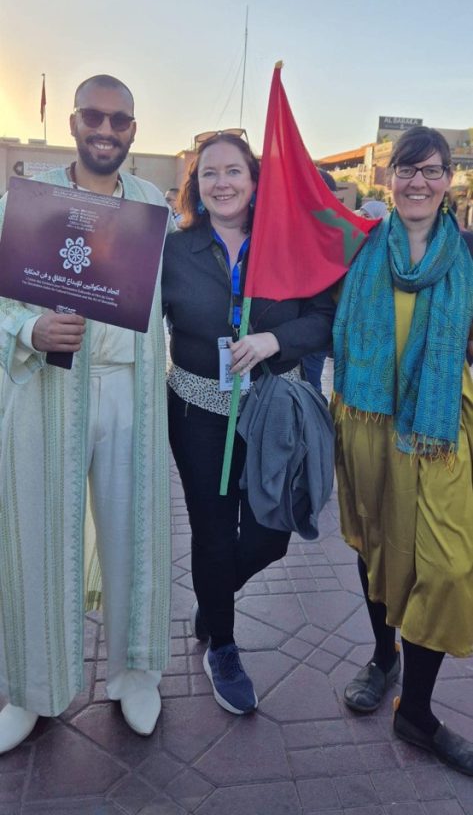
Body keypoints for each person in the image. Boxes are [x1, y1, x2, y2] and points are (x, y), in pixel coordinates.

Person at [0, 74, 172, 752]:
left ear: (134, 129)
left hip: (131, 389)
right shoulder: (29, 197)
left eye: (120, 121)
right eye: (94, 118)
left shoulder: (152, 201)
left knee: (136, 533)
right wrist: (26, 333)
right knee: (37, 533)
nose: (106, 131)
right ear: (74, 121)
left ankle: (135, 673)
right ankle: (29, 689)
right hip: (47, 386)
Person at [162, 132, 335, 715]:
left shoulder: (287, 245)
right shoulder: (173, 249)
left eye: (234, 171)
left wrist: (273, 339)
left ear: (255, 180)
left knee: (272, 531)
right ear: (196, 184)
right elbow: (134, 313)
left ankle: (213, 601)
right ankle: (225, 648)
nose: (222, 183)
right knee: (211, 533)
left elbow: (323, 320)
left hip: (268, 414)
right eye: (209, 173)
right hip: (196, 413)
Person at [332, 126, 473, 775]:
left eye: (431, 170)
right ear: (386, 179)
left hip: (439, 430)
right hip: (365, 421)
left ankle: (414, 708)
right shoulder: (357, 248)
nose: (418, 182)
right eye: (405, 170)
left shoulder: (468, 253)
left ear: (449, 180)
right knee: (375, 546)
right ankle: (382, 657)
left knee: (444, 566)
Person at [302, 168, 337, 394]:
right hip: (302, 324)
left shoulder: (334, 231)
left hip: (316, 326)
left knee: (310, 384)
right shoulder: (331, 230)